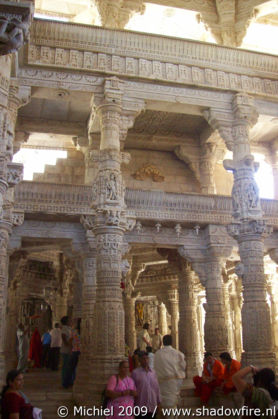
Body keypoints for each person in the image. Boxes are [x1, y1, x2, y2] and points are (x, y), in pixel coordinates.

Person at [154, 334, 186, 409]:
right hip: (174, 383)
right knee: (172, 403)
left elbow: (154, 368)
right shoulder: (178, 354)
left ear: (162, 342)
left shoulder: (157, 354)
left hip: (161, 383)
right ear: (172, 342)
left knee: (165, 403)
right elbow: (183, 367)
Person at [132, 351, 161, 419]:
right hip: (141, 406)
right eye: (143, 359)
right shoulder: (135, 373)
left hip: (152, 406)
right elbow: (133, 389)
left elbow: (157, 388)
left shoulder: (153, 372)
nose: (145, 360)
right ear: (139, 360)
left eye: (147, 358)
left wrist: (159, 402)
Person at [60, 316, 72, 388]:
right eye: (69, 320)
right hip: (65, 350)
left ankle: (68, 381)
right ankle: (65, 383)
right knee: (65, 367)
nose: (71, 321)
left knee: (68, 367)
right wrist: (67, 343)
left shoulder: (68, 328)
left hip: (68, 350)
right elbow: (63, 336)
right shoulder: (64, 328)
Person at [68, 318, 81, 386]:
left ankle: (72, 381)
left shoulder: (74, 331)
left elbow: (70, 340)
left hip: (75, 350)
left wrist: (70, 349)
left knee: (72, 367)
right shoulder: (85, 331)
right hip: (82, 351)